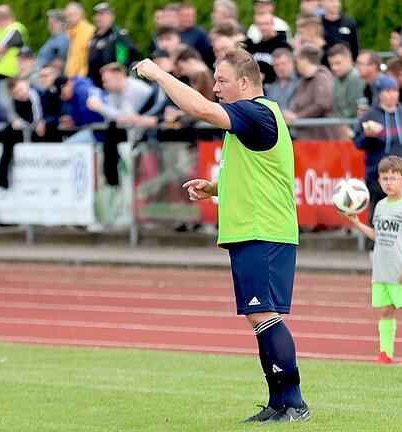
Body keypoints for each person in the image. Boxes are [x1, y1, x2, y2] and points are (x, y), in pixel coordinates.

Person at [134, 45, 310, 423]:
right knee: (258, 316)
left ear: (244, 82)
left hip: (264, 228)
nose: (215, 87)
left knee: (264, 314)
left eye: (221, 80)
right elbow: (260, 172)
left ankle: (294, 402)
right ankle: (278, 403)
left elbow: (199, 110)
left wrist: (161, 75)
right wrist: (216, 188)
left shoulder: (255, 111)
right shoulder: (255, 118)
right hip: (253, 227)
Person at [343, 156, 402, 366]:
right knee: (386, 311)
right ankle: (385, 353)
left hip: (399, 271)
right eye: (385, 178)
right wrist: (357, 223)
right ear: (378, 181)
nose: (389, 182)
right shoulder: (380, 206)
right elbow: (377, 235)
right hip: (381, 271)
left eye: (394, 178)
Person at [354, 75, 402, 222]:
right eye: (387, 91)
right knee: (379, 215)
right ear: (378, 93)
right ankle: (374, 243)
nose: (392, 94)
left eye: (395, 90)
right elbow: (358, 142)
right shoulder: (369, 115)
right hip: (379, 175)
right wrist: (367, 135)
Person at [284, 44, 341, 140]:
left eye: (297, 61)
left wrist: (297, 117)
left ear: (304, 61)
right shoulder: (303, 81)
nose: (296, 65)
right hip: (307, 138)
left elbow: (322, 104)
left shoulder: (321, 77)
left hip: (322, 138)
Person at [87, 2, 140, 89]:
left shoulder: (118, 35)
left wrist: (121, 69)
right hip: (95, 83)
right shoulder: (95, 36)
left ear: (111, 16)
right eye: (98, 15)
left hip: (113, 83)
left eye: (103, 14)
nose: (100, 18)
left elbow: (133, 52)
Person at [245, 11, 291, 85]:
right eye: (260, 24)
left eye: (266, 24)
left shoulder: (283, 46)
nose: (263, 27)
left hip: (276, 86)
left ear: (272, 24)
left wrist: (266, 77)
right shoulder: (252, 45)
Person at [327, 43, 365, 119]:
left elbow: (353, 110)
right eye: (331, 64)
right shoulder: (336, 79)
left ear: (349, 60)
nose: (334, 68)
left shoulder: (355, 78)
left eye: (338, 63)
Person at [177, 2, 215, 68]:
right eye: (185, 16)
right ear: (178, 16)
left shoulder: (201, 34)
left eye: (191, 16)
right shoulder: (173, 32)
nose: (188, 19)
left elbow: (210, 56)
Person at [64, 2, 96, 77]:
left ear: (81, 14)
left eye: (71, 15)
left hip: (82, 76)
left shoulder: (89, 31)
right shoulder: (71, 32)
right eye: (67, 16)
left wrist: (80, 76)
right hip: (72, 76)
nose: (69, 19)